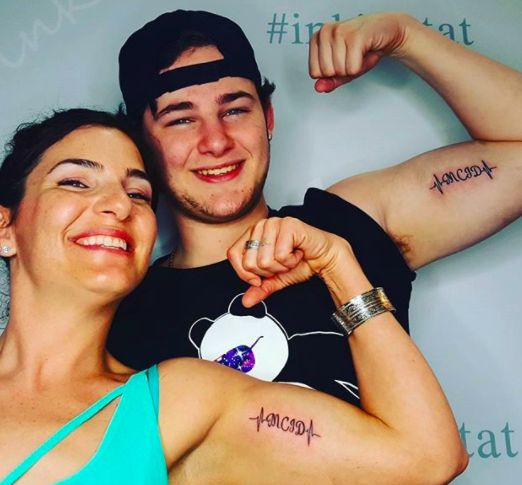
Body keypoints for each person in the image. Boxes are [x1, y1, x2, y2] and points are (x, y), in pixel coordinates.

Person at [0, 108, 467, 483]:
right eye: (75, 182)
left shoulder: (182, 402)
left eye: (139, 194)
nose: (120, 205)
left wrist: (338, 265)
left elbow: (425, 457)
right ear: (6, 227)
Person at [107, 10, 522, 404]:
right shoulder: (122, 316)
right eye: (181, 119)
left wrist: (408, 37)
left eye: (234, 109)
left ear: (268, 118)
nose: (216, 141)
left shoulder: (344, 225)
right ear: (139, 142)